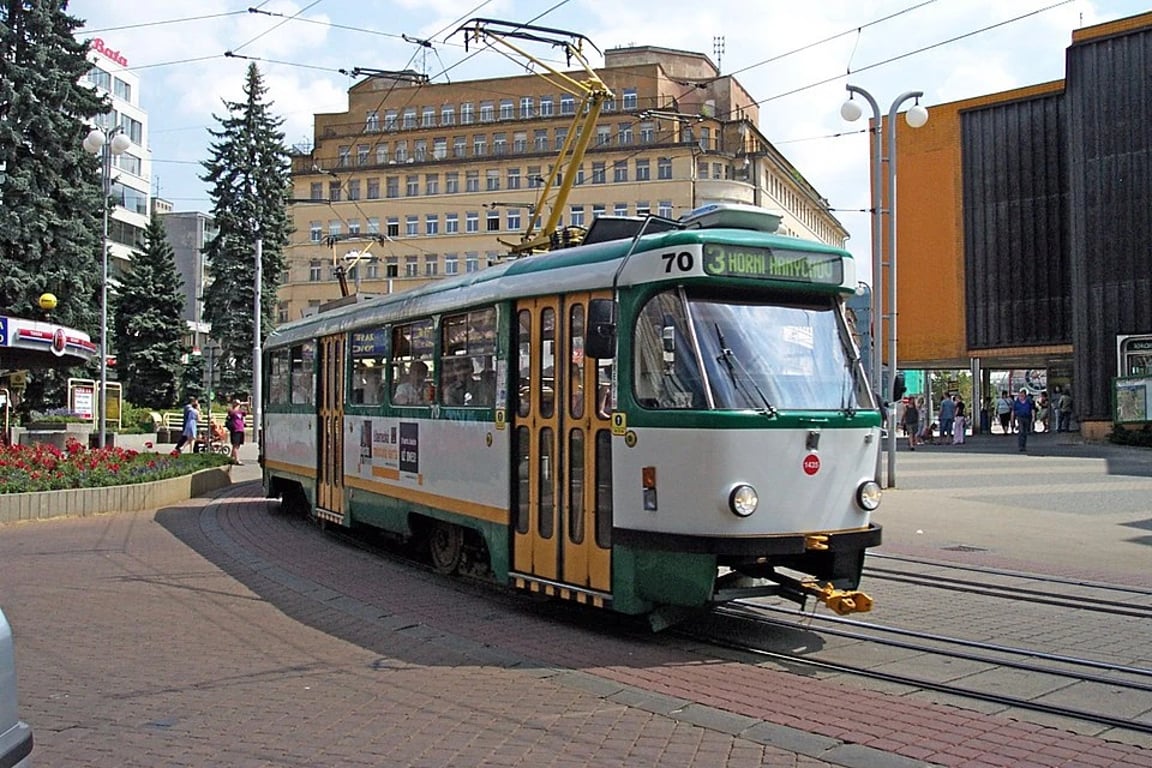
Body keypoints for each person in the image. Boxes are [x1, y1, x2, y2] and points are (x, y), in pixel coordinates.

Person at [225, 399, 246, 464]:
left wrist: (247, 405)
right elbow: (231, 412)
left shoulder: (241, 412)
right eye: (236, 403)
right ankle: (237, 460)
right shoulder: (232, 411)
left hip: (241, 429)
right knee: (235, 445)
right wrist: (238, 405)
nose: (238, 405)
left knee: (238, 445)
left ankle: (231, 458)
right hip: (235, 429)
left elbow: (247, 412)